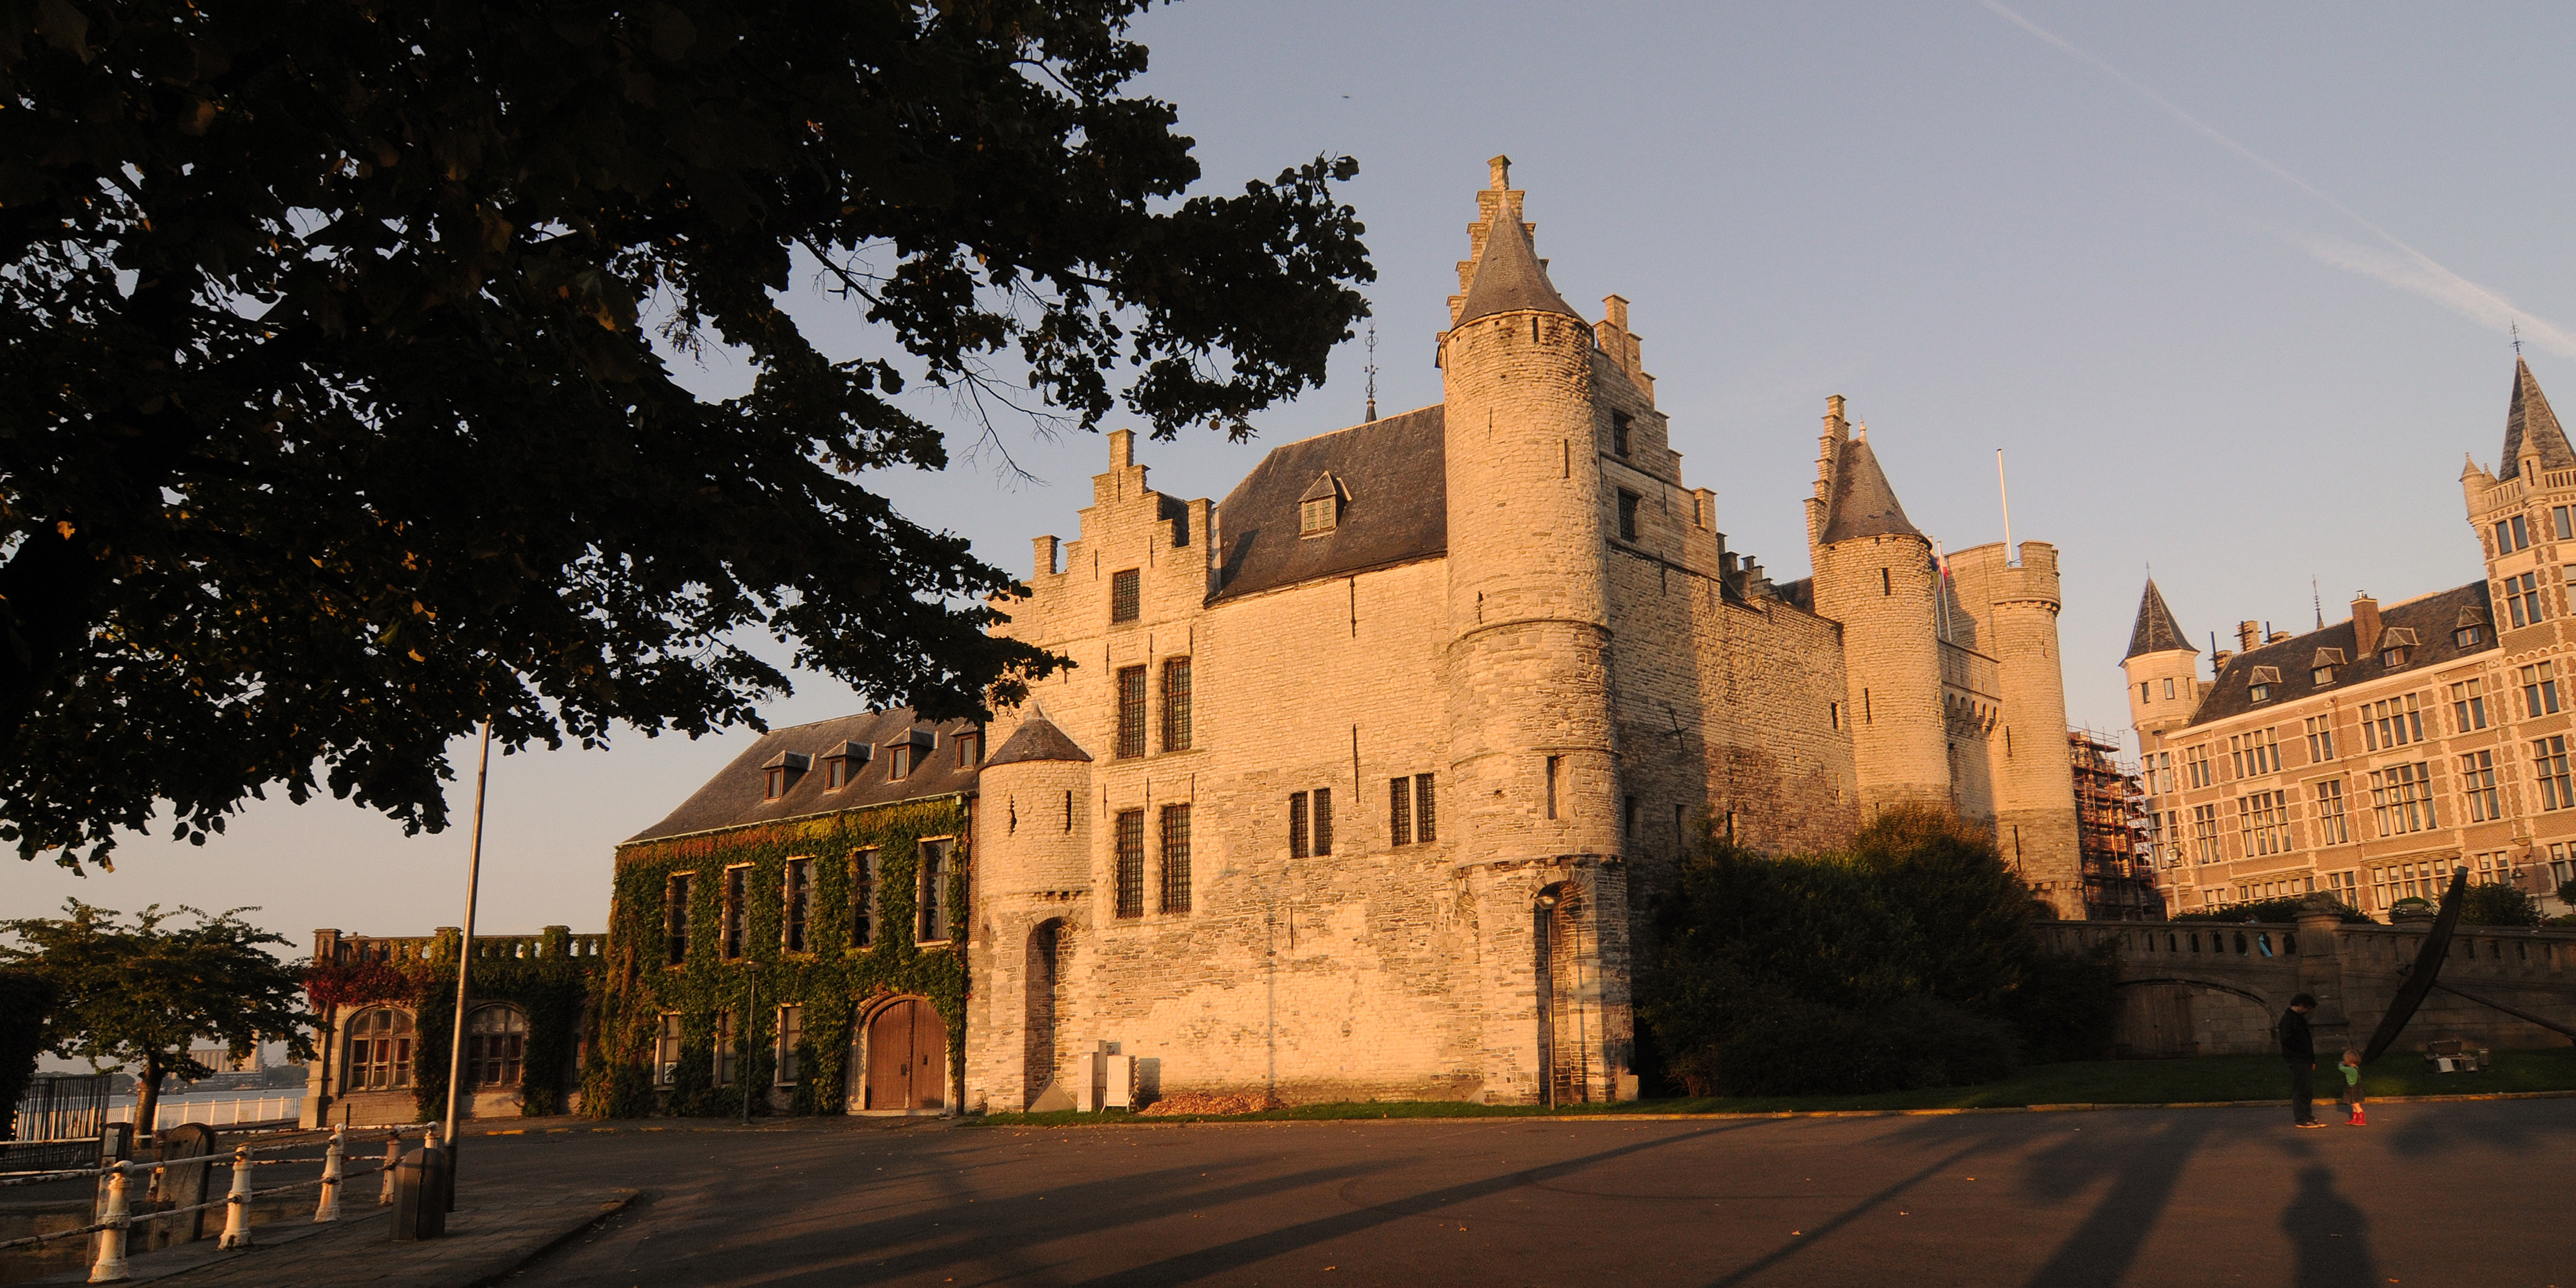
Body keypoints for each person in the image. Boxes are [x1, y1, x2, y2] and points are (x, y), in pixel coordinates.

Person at [2280, 994, 2322, 1127]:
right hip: (2297, 1059)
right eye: (2307, 1008)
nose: (2308, 1011)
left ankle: (2307, 1116)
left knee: (2307, 1089)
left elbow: (2307, 1042)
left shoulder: (2299, 1019)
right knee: (2301, 1089)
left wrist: (2312, 1060)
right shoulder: (2288, 1019)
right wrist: (2301, 1053)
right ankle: (2301, 1118)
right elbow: (2287, 1040)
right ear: (2301, 1005)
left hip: (2305, 1059)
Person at [2339, 1050, 2366, 1126]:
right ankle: (2355, 1118)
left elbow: (2341, 1068)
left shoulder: (2350, 1070)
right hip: (2355, 1088)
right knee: (2353, 1104)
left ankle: (2361, 1118)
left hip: (2352, 1089)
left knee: (2355, 1104)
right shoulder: (2356, 1068)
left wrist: (2341, 1064)